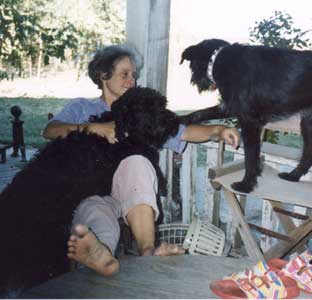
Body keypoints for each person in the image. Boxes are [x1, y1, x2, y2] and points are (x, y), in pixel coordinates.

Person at [42, 45, 240, 276]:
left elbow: (182, 132)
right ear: (103, 75)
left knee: (137, 162)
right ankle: (101, 254)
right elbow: (51, 130)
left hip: (129, 192)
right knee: (96, 209)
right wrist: (95, 127)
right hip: (89, 191)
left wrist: (217, 130)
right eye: (124, 74)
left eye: (134, 75)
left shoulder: (141, 112)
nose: (132, 81)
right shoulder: (82, 107)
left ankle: (148, 252)